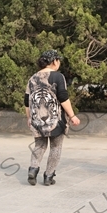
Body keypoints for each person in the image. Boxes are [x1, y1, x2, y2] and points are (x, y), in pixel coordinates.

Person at [25, 50, 80, 186]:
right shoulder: (58, 76)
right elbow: (63, 97)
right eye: (58, 60)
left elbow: (27, 101)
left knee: (40, 144)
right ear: (55, 61)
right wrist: (72, 115)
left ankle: (33, 168)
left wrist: (29, 118)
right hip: (56, 119)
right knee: (56, 147)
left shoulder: (32, 78)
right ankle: (49, 176)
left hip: (36, 119)